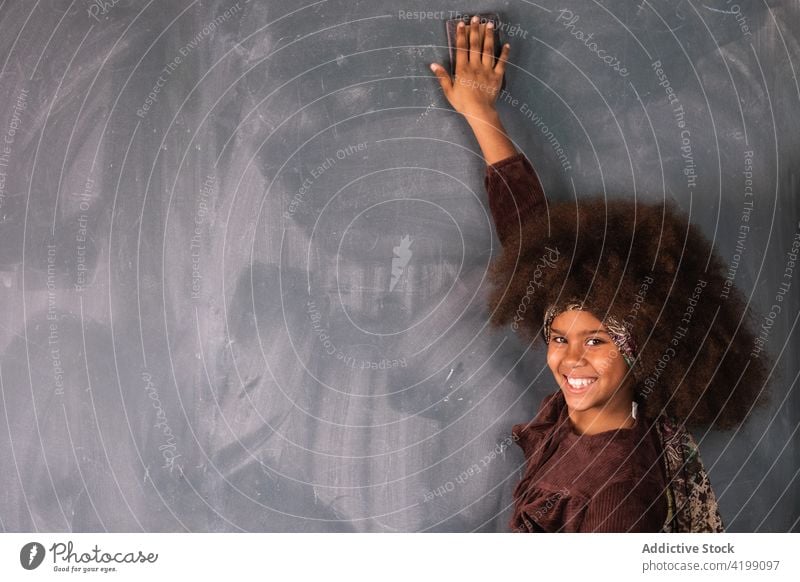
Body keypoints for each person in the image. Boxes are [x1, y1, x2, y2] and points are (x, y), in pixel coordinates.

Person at [429, 16, 771, 532]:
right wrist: (482, 114)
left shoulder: (616, 494)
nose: (569, 360)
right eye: (560, 336)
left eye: (596, 342)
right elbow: (535, 243)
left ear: (645, 346)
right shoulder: (618, 420)